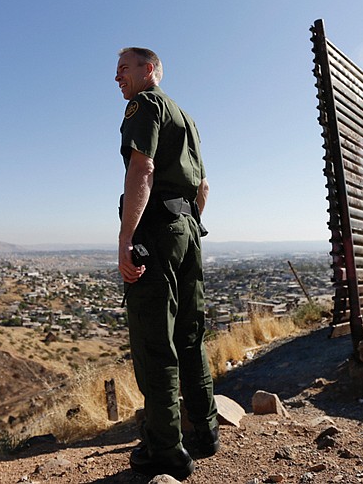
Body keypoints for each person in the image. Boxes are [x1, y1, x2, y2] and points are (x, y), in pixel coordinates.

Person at [115, 47, 219, 480]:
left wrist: (126, 235)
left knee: (155, 340)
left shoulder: (147, 105)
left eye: (124, 69)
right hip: (189, 232)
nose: (117, 78)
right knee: (190, 334)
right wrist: (189, 224)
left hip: (157, 230)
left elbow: (143, 167)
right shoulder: (187, 118)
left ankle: (165, 450)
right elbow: (205, 186)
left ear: (149, 70)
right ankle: (206, 429)